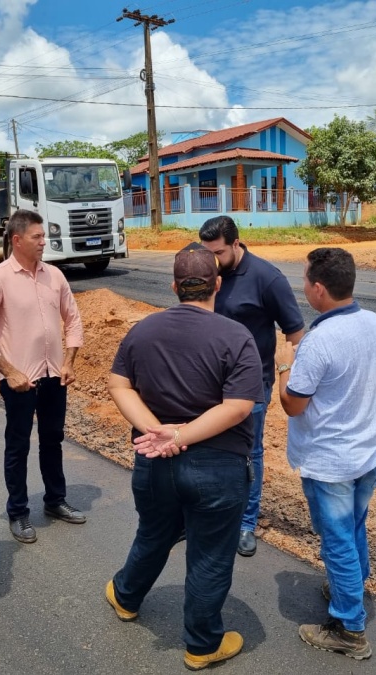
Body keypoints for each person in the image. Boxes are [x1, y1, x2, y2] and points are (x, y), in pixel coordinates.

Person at [105, 242, 263, 671]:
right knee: (210, 556)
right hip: (217, 468)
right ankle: (201, 645)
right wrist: (180, 434)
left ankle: (125, 597)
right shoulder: (236, 336)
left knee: (154, 534)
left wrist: (156, 430)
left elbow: (119, 385)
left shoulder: (143, 331)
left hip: (154, 461)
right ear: (217, 285)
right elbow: (238, 407)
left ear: (174, 286)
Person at [276, 247, 376, 661]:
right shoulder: (373, 323)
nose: (302, 285)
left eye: (305, 279)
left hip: (332, 463)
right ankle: (352, 585)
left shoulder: (319, 341)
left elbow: (294, 405)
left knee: (337, 541)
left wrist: (283, 366)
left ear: (319, 289)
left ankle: (348, 628)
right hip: (369, 454)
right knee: (355, 527)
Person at [0, 209, 85, 544]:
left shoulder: (55, 276)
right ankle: (18, 512)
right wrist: (9, 372)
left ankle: (55, 500)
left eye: (43, 236)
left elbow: (73, 320)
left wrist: (70, 360)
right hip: (19, 381)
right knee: (17, 446)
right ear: (17, 240)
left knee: (53, 440)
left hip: (54, 376)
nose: (43, 242)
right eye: (37, 237)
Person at [199, 215, 304, 557]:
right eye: (207, 252)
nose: (212, 260)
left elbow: (295, 333)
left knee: (249, 454)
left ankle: (246, 523)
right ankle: (212, 513)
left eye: (218, 252)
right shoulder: (209, 271)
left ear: (236, 243)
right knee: (210, 448)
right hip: (208, 383)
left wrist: (288, 372)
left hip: (251, 387)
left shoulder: (267, 278)